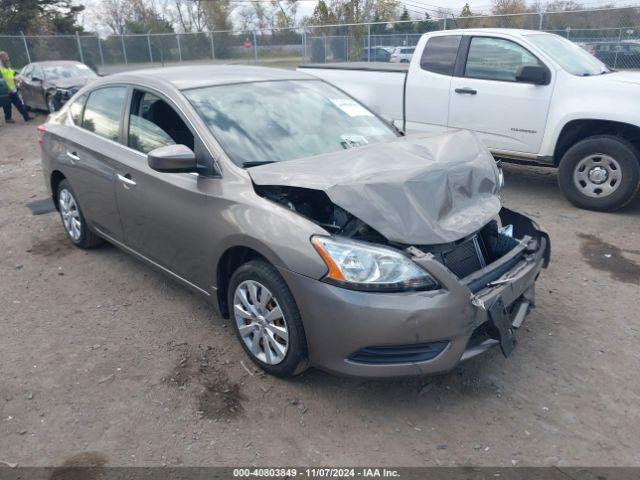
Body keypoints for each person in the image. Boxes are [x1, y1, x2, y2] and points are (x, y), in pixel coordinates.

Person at [0, 51, 33, 123]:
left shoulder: (7, 66)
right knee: (8, 105)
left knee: (16, 104)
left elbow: (12, 73)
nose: (8, 58)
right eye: (6, 57)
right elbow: (2, 79)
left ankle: (25, 117)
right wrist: (7, 87)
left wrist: (18, 76)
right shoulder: (1, 68)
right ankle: (10, 118)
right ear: (2, 57)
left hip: (12, 89)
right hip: (6, 90)